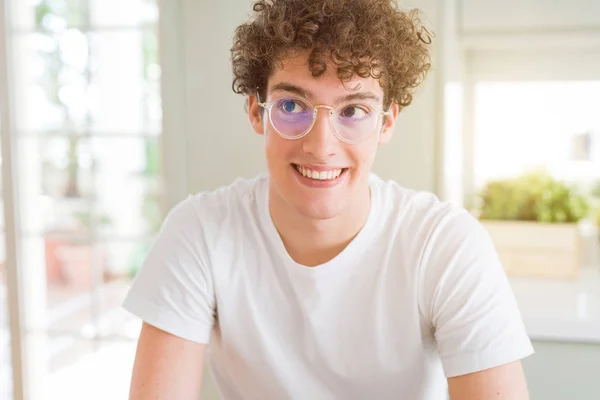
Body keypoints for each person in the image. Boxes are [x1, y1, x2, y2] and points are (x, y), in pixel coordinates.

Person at [124, 0, 534, 399]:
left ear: (386, 122)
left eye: (353, 111)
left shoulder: (445, 244)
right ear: (256, 113)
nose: (321, 147)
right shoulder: (199, 232)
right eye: (291, 106)